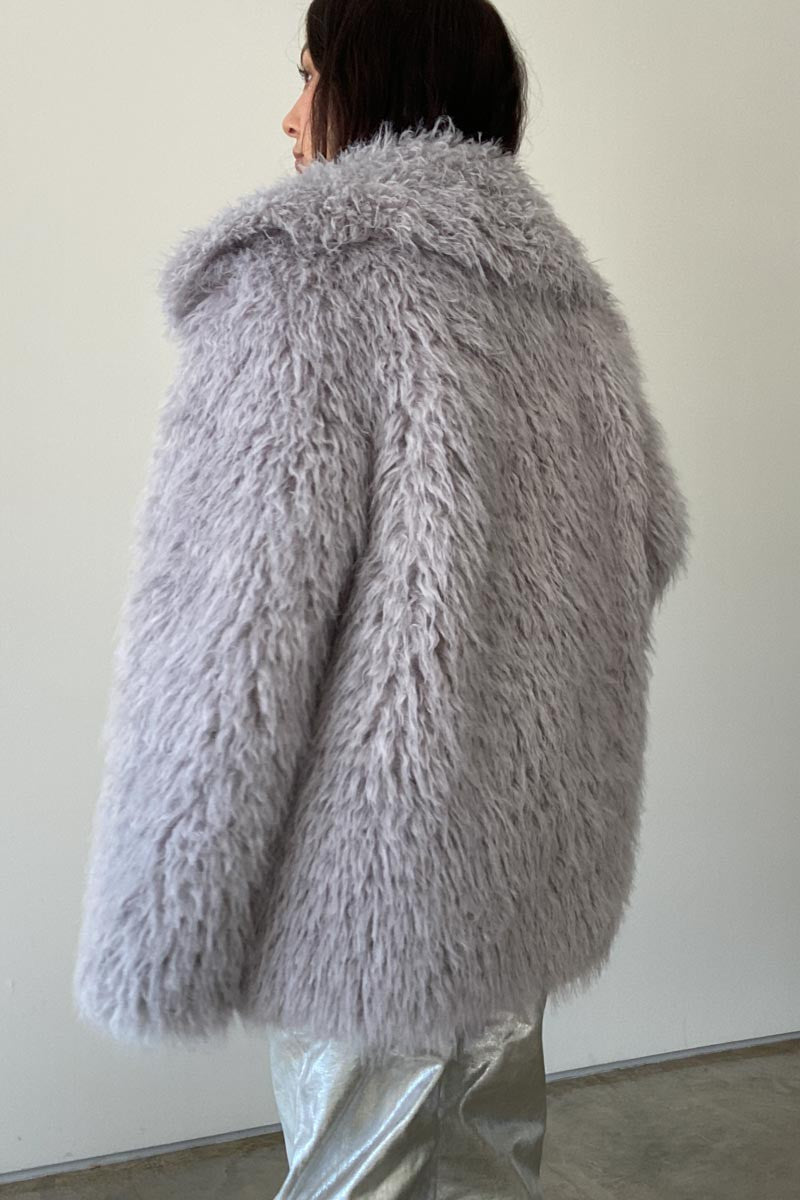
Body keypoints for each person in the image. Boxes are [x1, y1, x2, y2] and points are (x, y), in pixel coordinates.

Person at [71, 1, 691, 1196]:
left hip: (372, 874)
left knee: (362, 1174)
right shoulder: (564, 299)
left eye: (309, 74)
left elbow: (232, 635)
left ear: (375, 80)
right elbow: (646, 539)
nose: (289, 114)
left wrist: (166, 915)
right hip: (522, 851)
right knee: (486, 1160)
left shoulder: (302, 281)